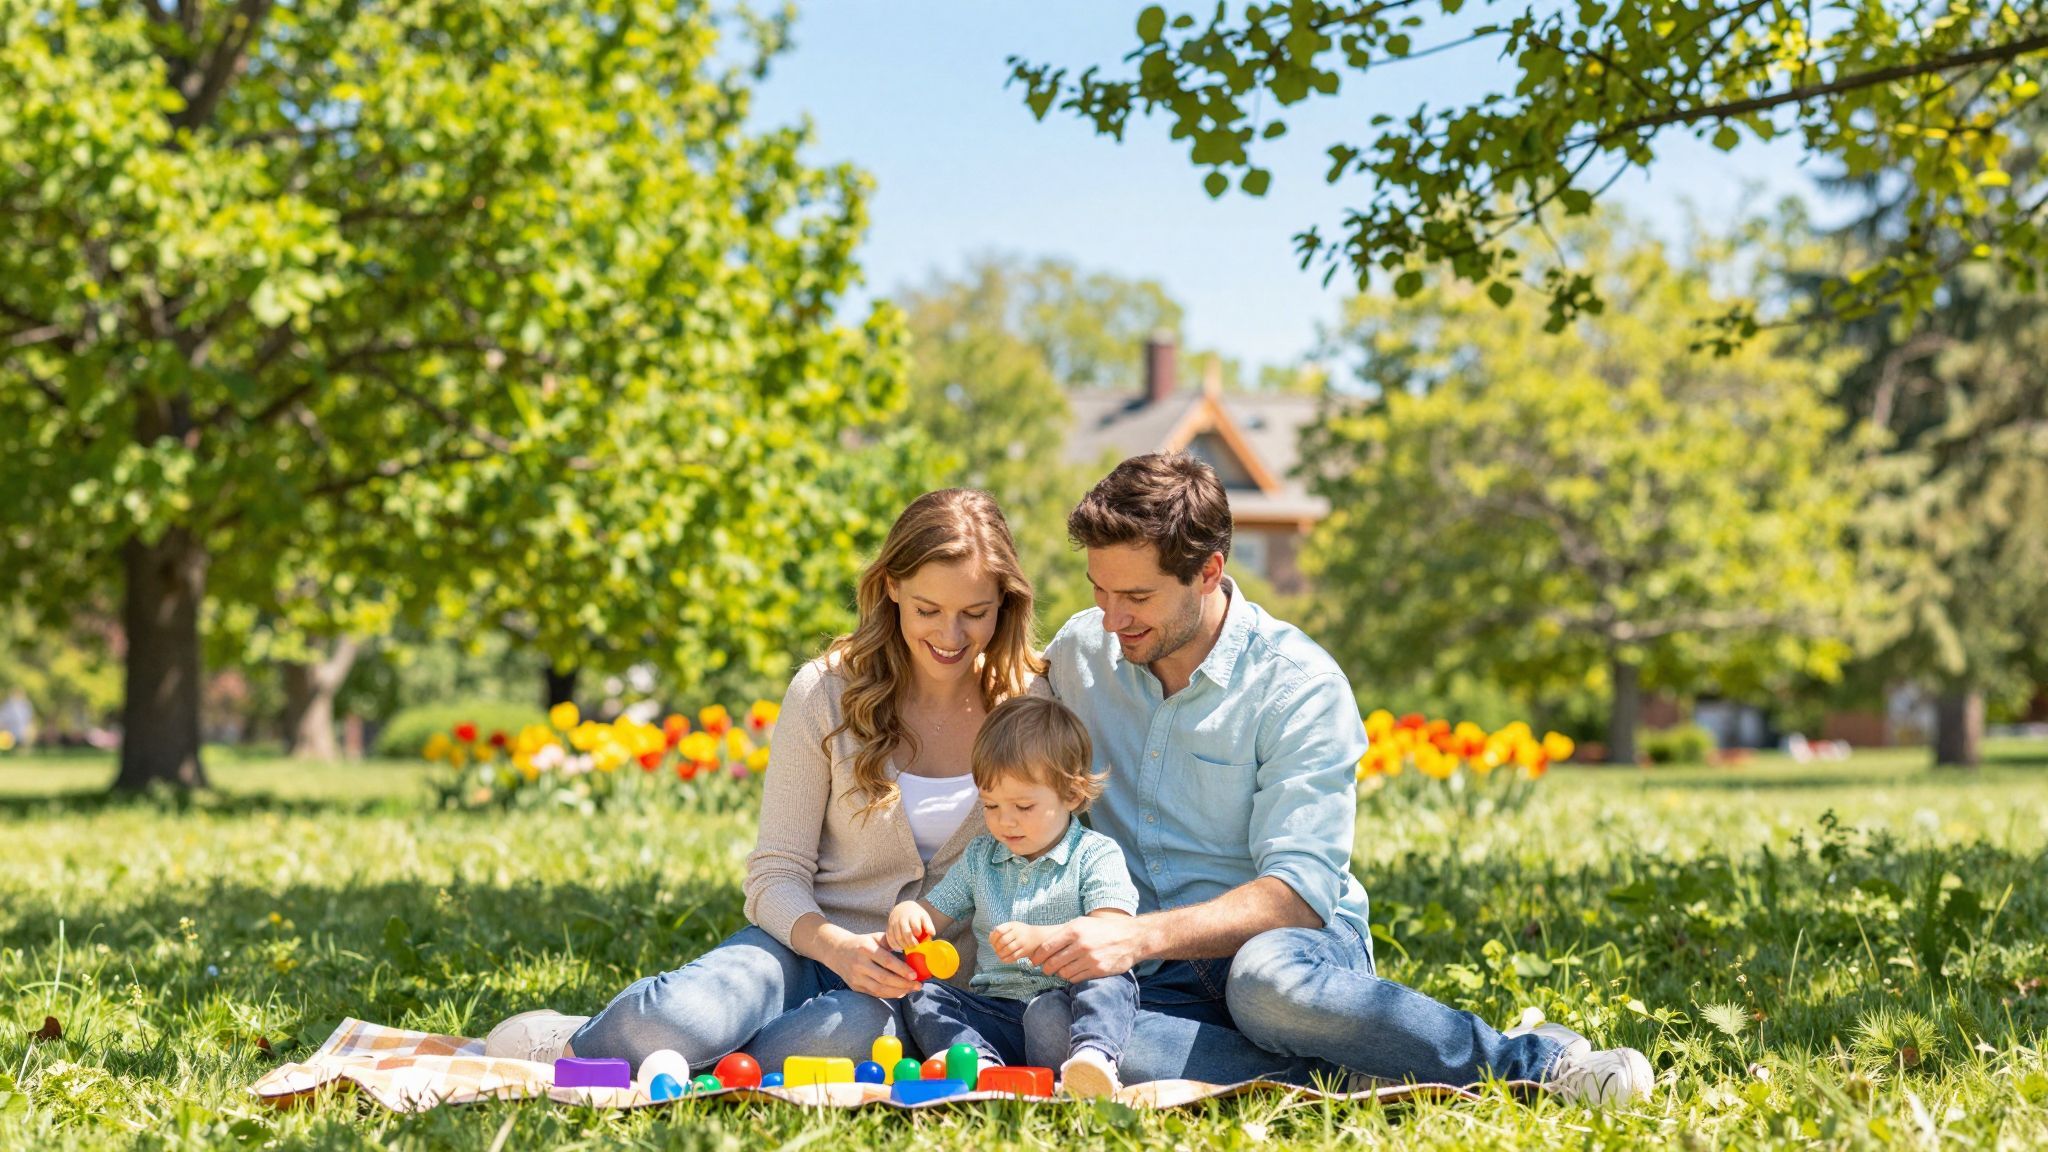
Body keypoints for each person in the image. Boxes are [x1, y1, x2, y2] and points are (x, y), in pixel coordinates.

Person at [1021, 452, 1653, 1106]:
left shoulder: (1298, 686)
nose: (1113, 617)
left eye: (1137, 597)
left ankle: (1534, 1061)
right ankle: (1351, 1075)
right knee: (1050, 1027)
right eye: (1099, 590)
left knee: (1263, 984)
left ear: (1209, 571)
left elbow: (1298, 894)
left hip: (1293, 956)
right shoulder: (1080, 653)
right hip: (1158, 975)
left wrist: (1138, 934)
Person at [485, 489, 1045, 1071]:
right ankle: (597, 1038)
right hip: (804, 949)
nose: (951, 636)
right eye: (928, 610)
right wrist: (840, 948)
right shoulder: (826, 692)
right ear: (891, 589)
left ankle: (681, 1058)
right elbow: (776, 874)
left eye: (974, 613)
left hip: (934, 1000)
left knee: (853, 1034)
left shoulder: (1034, 706)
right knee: (680, 1020)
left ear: (1004, 604)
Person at [888, 695, 1139, 1098]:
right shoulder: (980, 858)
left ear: (1071, 795)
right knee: (926, 997)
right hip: (998, 1010)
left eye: (1023, 806)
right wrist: (908, 913)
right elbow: (931, 915)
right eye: (990, 805)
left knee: (1109, 976)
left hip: (1069, 1006)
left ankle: (1094, 1059)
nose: (1005, 821)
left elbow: (1114, 931)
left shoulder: (1095, 854)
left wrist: (1044, 938)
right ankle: (981, 1066)